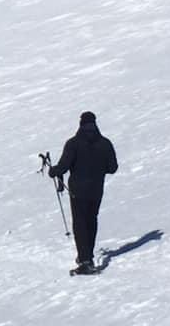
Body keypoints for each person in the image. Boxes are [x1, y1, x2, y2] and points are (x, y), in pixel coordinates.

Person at [49, 110, 119, 273]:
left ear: (80, 124)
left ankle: (85, 260)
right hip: (96, 190)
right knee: (91, 221)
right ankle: (87, 257)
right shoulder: (105, 143)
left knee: (80, 223)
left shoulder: (73, 143)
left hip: (78, 191)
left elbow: (64, 167)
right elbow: (113, 168)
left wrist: (53, 171)